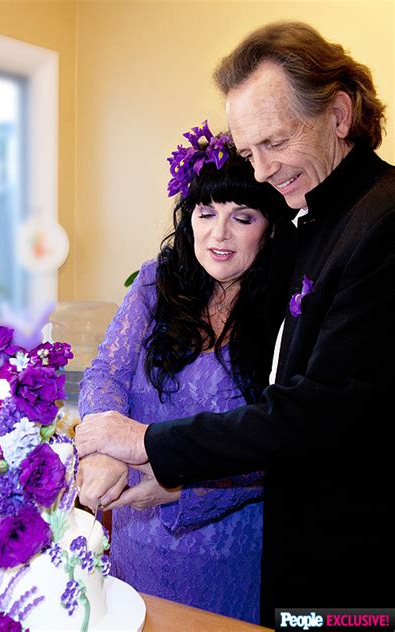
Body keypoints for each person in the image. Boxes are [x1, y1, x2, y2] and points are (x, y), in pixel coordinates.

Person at [75, 21, 395, 626]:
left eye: (275, 142)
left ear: (339, 115)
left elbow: (316, 412)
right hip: (291, 561)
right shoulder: (321, 223)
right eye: (250, 153)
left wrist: (147, 445)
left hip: (350, 568)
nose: (264, 169)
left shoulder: (380, 222)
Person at [76, 123, 294, 622]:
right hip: (137, 543)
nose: (219, 234)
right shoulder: (155, 283)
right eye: (206, 212)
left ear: (270, 227)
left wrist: (183, 487)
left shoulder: (287, 309)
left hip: (231, 556)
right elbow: (106, 372)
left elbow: (284, 441)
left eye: (242, 217)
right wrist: (103, 449)